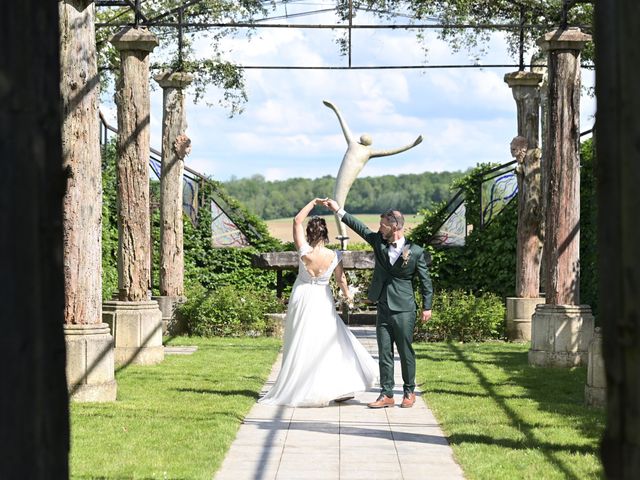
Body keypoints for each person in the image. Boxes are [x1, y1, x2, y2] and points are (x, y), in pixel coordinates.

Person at [259, 198, 378, 407]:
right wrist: (348, 295)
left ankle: (301, 385)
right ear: (325, 234)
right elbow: (341, 279)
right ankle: (335, 386)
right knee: (327, 340)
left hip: (302, 297)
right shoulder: (335, 255)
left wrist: (313, 203)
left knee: (301, 340)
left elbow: (296, 220)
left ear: (309, 234)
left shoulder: (304, 251)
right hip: (322, 299)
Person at [323, 199, 433, 408]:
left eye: (382, 225)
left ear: (394, 227)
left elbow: (425, 281)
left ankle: (409, 392)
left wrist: (427, 306)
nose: (378, 229)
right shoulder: (378, 242)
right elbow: (360, 227)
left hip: (404, 308)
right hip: (382, 304)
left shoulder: (416, 252)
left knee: (405, 350)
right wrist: (338, 210)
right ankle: (387, 394)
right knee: (384, 351)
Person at [323, 100, 423, 246]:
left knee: (338, 205)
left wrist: (412, 145)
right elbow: (392, 151)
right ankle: (343, 239)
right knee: (338, 205)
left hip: (345, 179)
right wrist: (335, 109)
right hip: (343, 178)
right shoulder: (356, 145)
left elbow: (392, 151)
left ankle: (343, 240)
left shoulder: (364, 149)